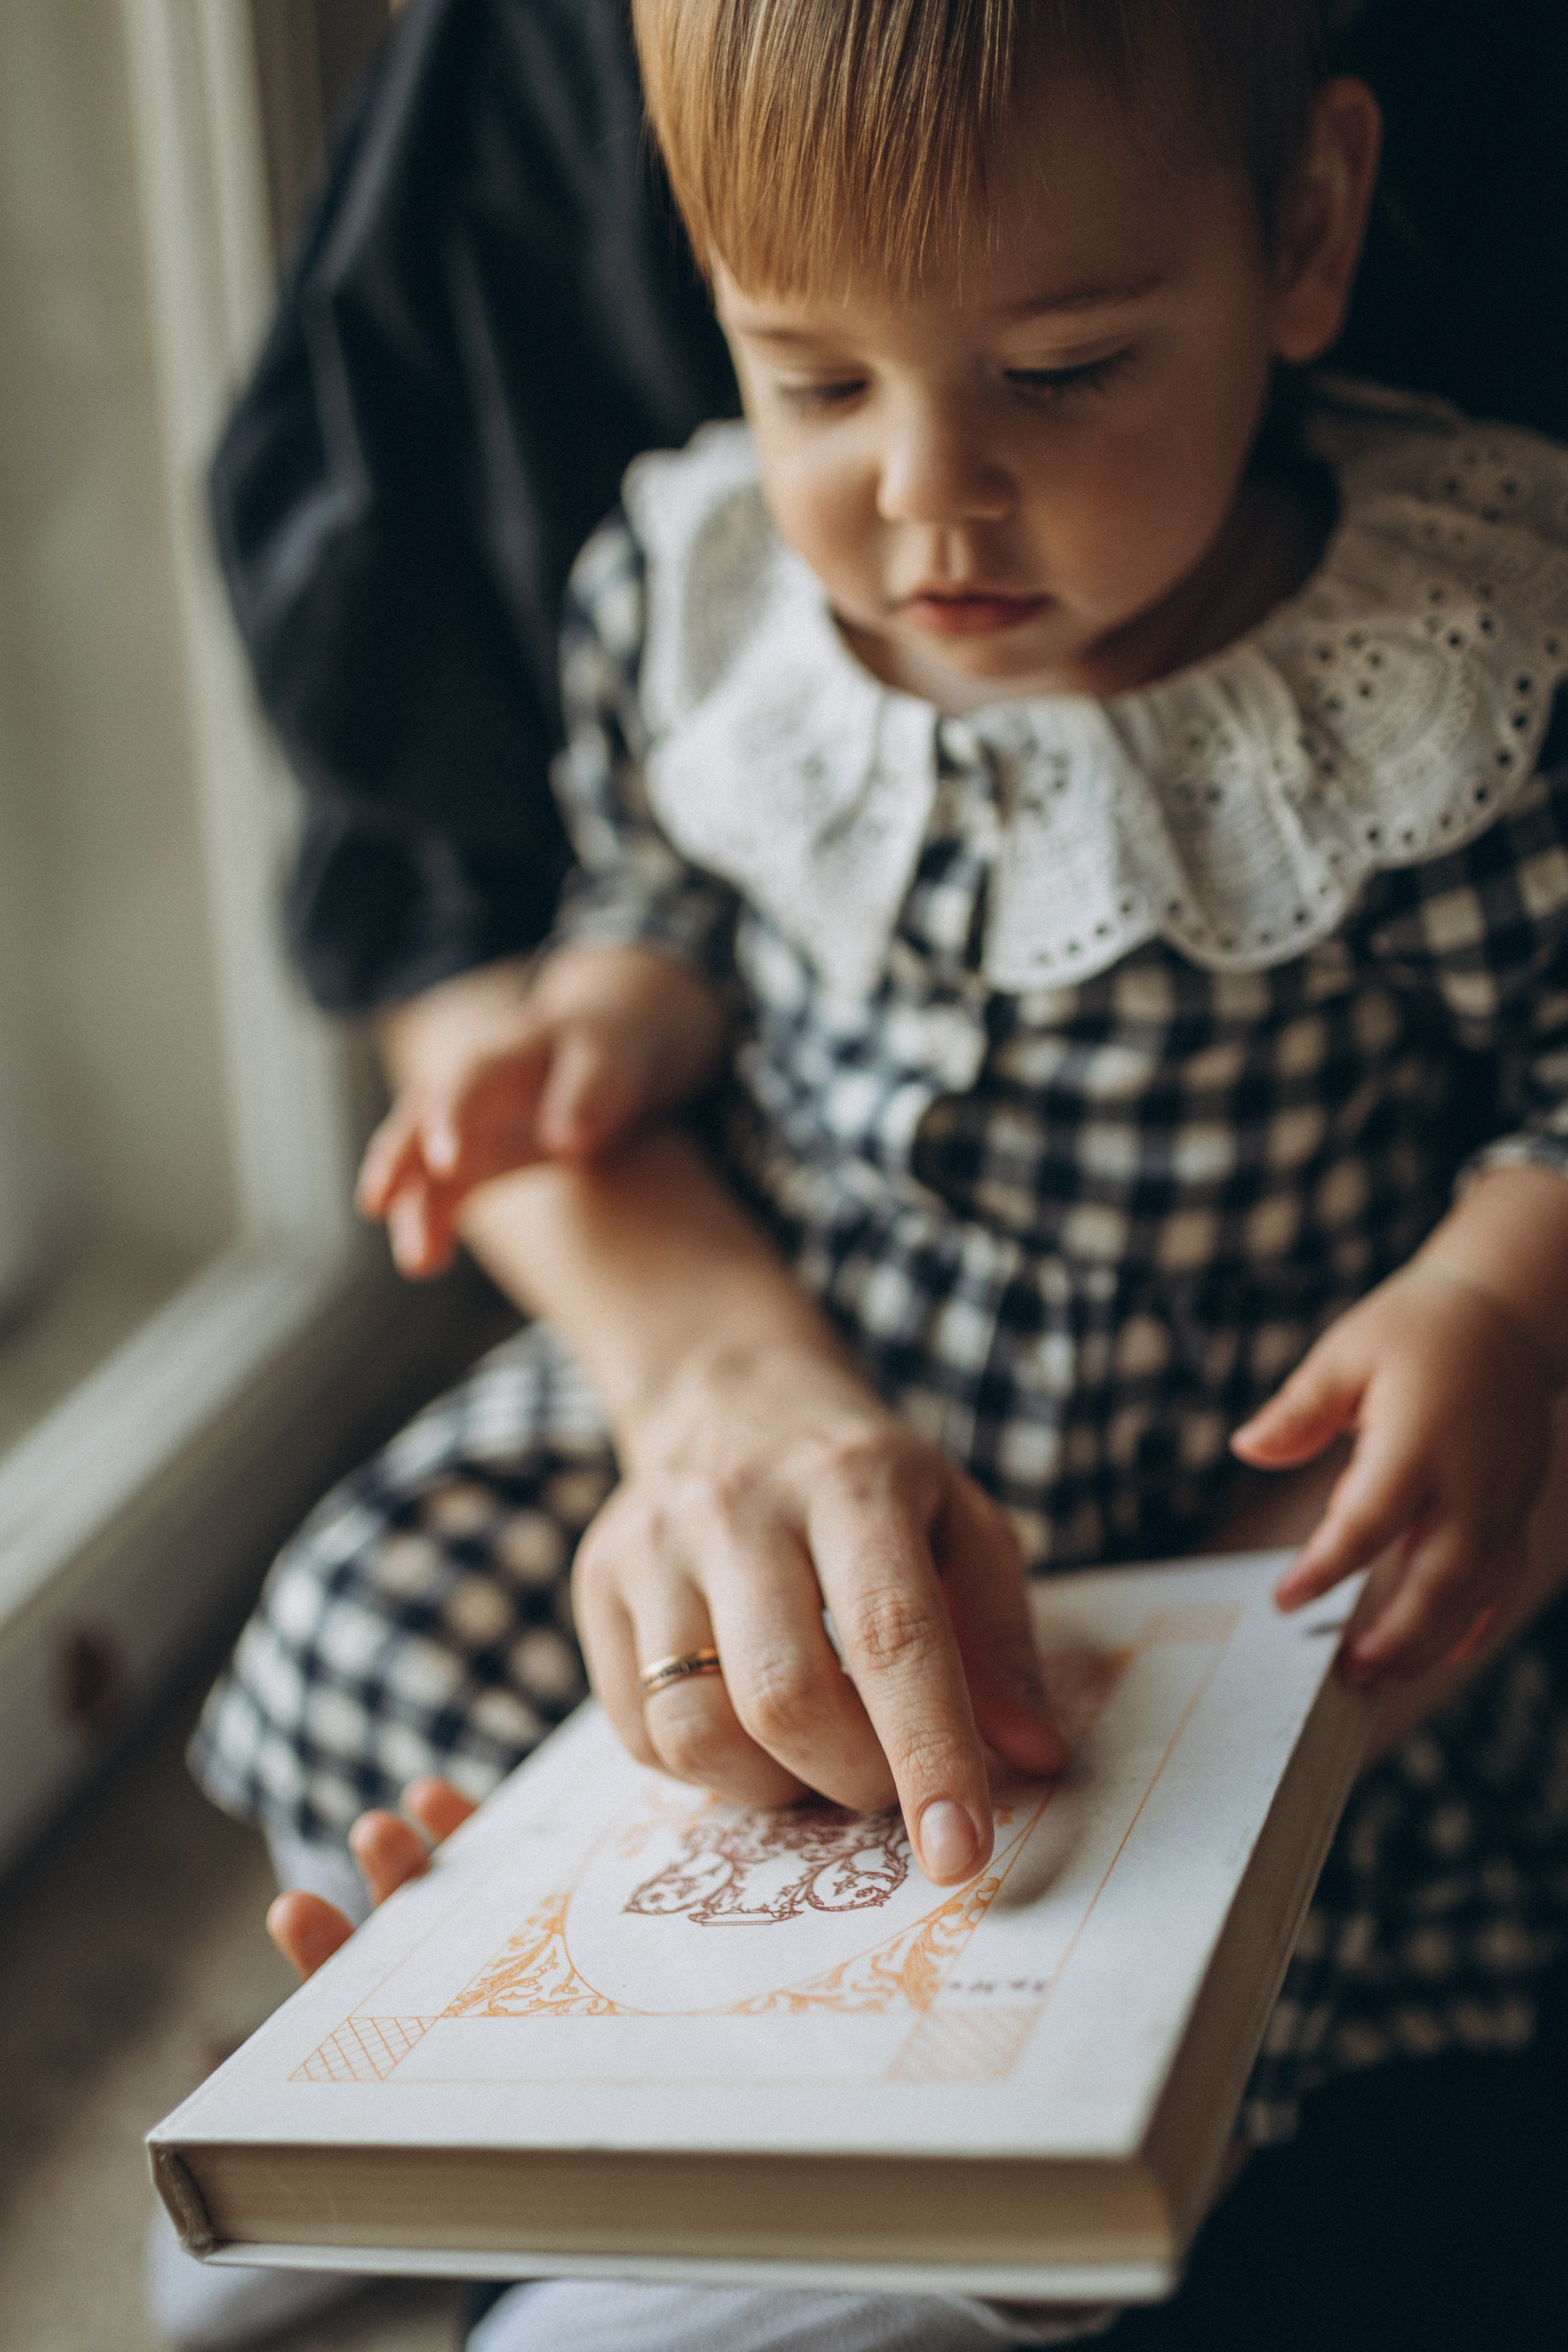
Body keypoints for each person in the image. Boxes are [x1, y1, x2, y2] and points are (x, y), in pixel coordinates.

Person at [165, 2, 1568, 2348]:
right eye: (814, 383)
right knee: (410, 1625)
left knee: (1060, 1897)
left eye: (1063, 371)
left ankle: (836, 2248)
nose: (929, 499)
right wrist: (598, 1033)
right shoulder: (718, 596)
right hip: (820, 1350)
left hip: (1187, 1489)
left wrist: (1505, 1295)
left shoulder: (1440, 655)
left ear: (1306, 233)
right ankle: (466, 2078)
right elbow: (669, 892)